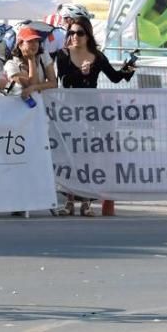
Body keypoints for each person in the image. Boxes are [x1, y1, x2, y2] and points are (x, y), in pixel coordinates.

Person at [54, 15, 134, 216]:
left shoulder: (97, 56)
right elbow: (63, 81)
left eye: (79, 33)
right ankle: (69, 200)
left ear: (88, 35)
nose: (74, 37)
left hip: (92, 111)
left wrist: (129, 68)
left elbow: (115, 78)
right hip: (69, 111)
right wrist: (80, 73)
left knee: (89, 156)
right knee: (70, 156)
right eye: (71, 33)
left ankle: (87, 202)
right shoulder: (63, 55)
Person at [3, 26, 58, 100]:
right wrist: (31, 59)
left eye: (36, 41)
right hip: (18, 105)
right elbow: (30, 84)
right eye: (30, 41)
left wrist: (34, 87)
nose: (34, 44)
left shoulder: (43, 55)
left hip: (39, 103)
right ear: (20, 45)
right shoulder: (11, 65)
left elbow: (54, 83)